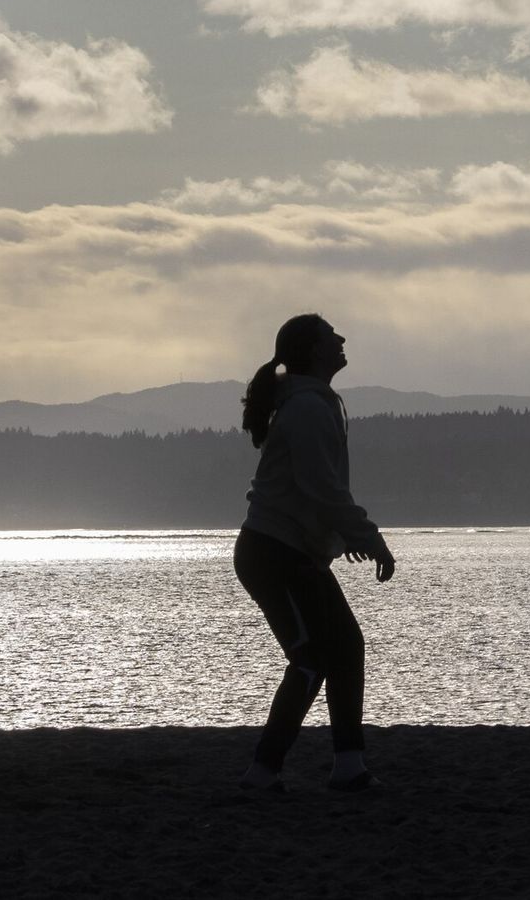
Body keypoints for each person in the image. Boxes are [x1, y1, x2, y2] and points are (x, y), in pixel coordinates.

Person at [232, 314, 395, 792]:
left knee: (344, 648)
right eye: (331, 336)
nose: (342, 339)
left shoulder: (312, 404)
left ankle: (348, 764)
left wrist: (338, 539)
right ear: (311, 352)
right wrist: (369, 539)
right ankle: (263, 771)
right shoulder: (307, 409)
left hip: (292, 551)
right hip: (274, 553)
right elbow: (322, 488)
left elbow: (317, 492)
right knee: (309, 659)